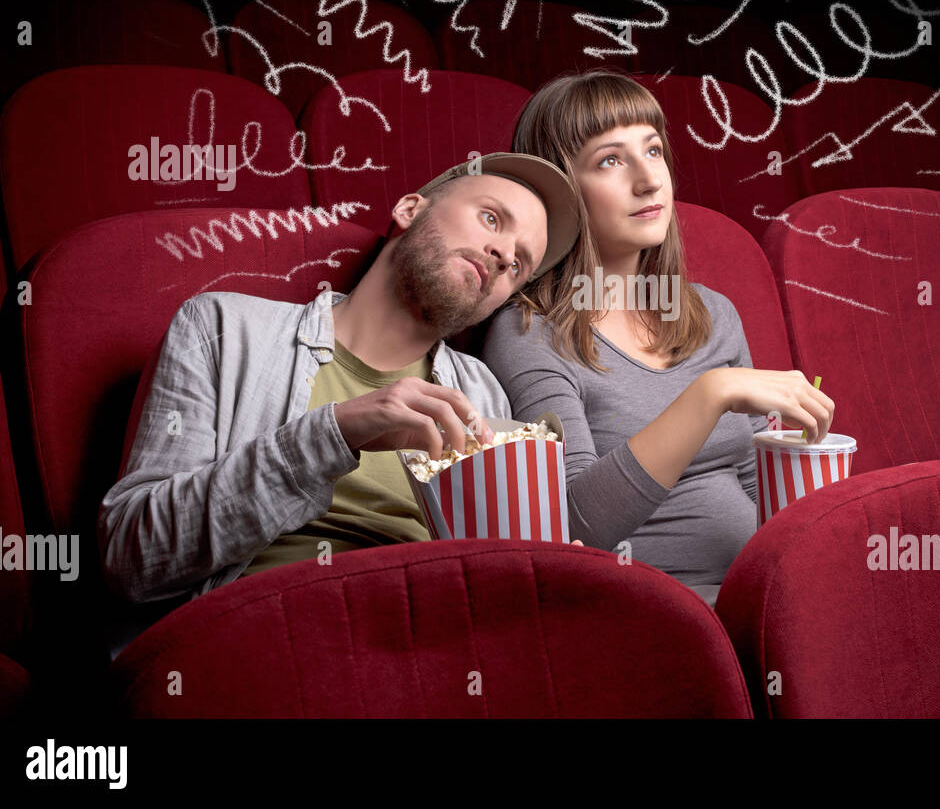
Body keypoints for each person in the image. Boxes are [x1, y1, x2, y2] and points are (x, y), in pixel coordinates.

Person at [97, 153, 579, 655]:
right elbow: (131, 559)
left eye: (519, 264)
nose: (504, 254)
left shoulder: (483, 394)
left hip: (433, 654)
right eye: (491, 218)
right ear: (410, 209)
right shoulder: (221, 330)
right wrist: (334, 434)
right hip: (263, 645)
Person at [483, 71, 834, 605]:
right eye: (610, 160)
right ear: (557, 190)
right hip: (646, 609)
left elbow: (749, 482)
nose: (649, 180)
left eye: (653, 150)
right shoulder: (529, 332)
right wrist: (710, 394)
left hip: (751, 596)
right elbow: (574, 528)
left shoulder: (712, 314)